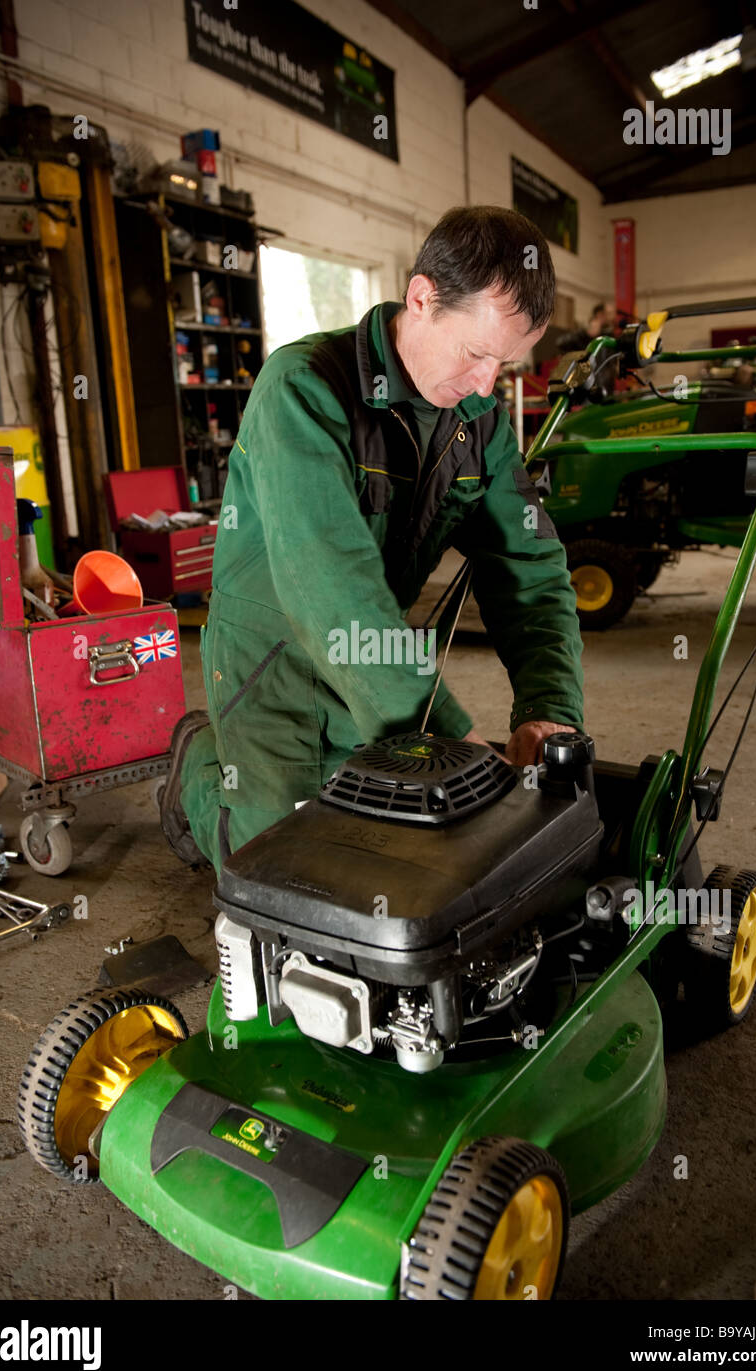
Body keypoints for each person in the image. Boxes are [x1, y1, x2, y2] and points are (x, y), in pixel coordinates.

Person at [160, 205, 586, 874]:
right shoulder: (304, 387)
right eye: (475, 354)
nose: (484, 385)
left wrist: (548, 708)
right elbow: (331, 586)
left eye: (503, 367)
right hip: (273, 658)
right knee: (272, 872)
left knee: (372, 853)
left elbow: (526, 565)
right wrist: (449, 734)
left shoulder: (480, 423)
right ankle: (200, 775)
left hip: (374, 652)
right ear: (421, 299)